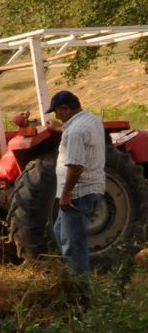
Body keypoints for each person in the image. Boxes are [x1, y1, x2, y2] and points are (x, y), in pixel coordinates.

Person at [46, 89, 106, 275]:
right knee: (59, 233)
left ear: (66, 108)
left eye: (57, 111)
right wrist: (59, 127)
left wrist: (66, 194)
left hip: (79, 193)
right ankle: (69, 276)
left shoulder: (75, 131)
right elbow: (77, 132)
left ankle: (81, 289)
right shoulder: (92, 120)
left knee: (73, 244)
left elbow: (76, 165)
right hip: (91, 188)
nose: (57, 115)